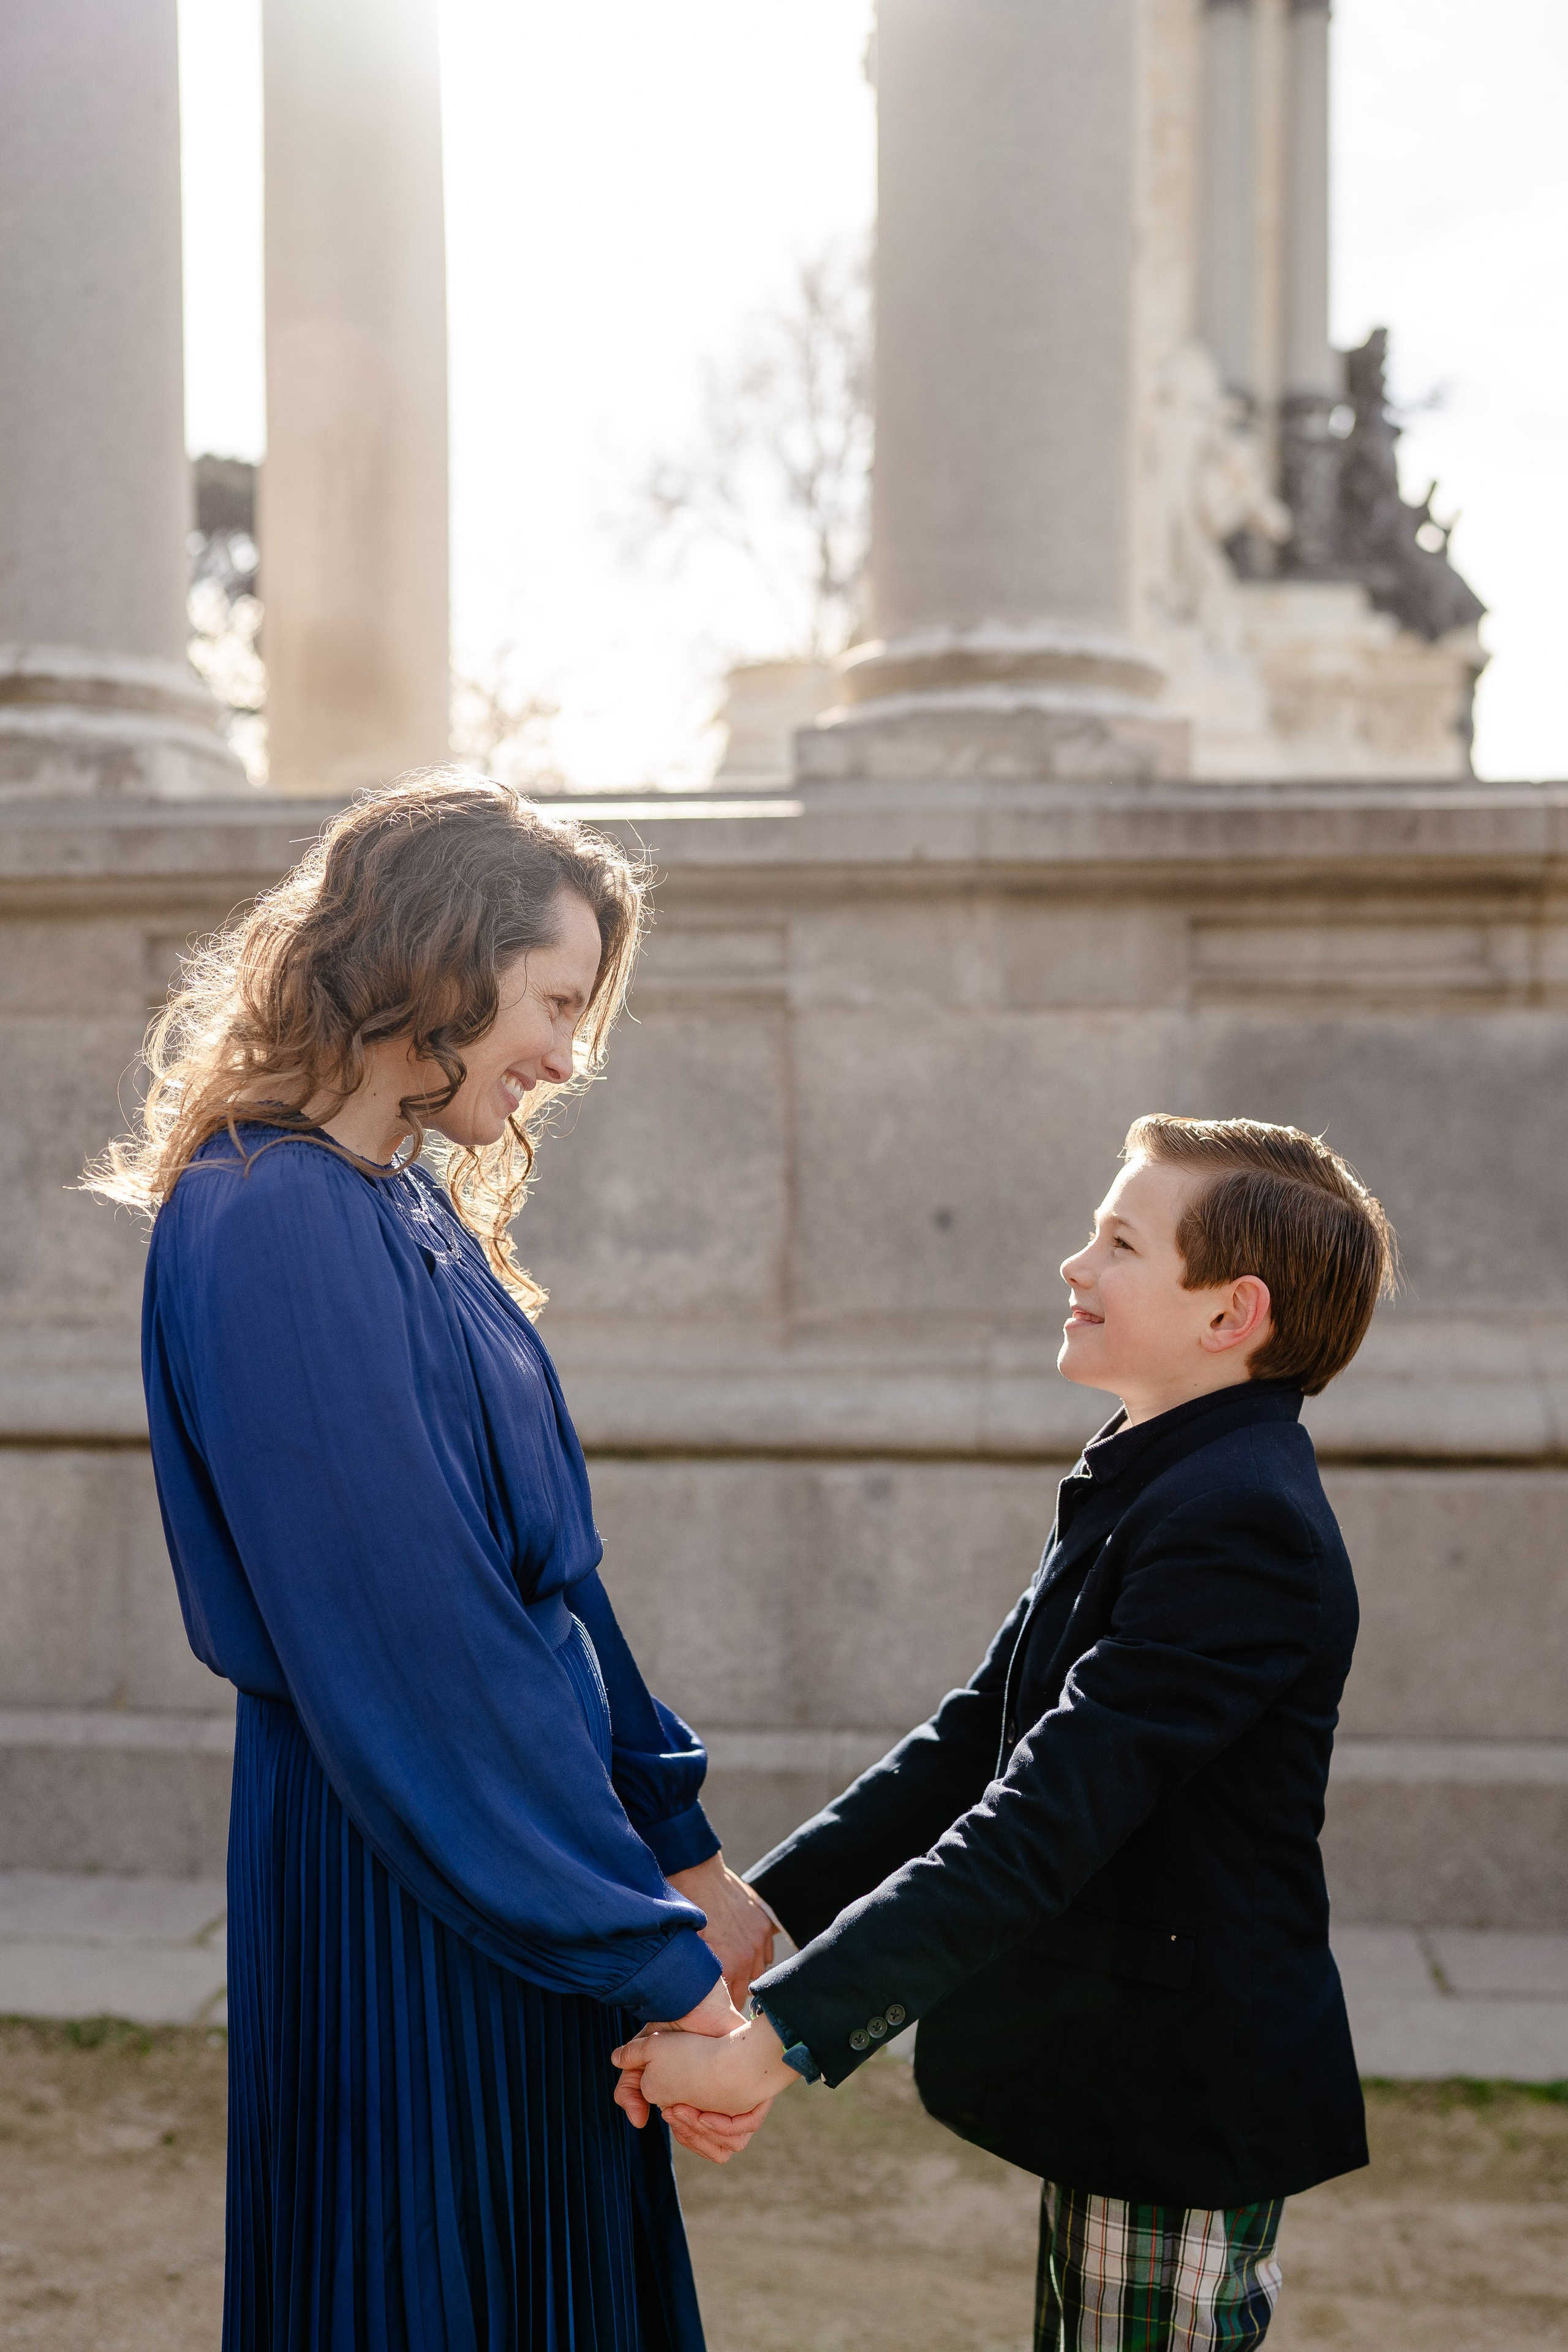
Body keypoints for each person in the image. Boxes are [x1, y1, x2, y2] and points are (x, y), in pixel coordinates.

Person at [88, 772, 776, 2352]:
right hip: (406, 1865)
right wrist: (651, 1959)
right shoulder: (269, 1220)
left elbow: (554, 1579)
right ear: (438, 965)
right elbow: (418, 1648)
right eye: (551, 999)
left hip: (528, 1842)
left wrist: (679, 1855)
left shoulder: (401, 1202)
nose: (567, 1055)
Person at [614, 1115, 1397, 2352]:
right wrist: (759, 1920)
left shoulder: (1238, 1520)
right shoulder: (1161, 1470)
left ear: (1225, 1314)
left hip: (1180, 2094)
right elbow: (973, 1737)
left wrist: (774, 2047)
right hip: (1115, 2069)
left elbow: (1040, 1819)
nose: (1073, 1267)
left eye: (1119, 1241)